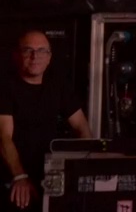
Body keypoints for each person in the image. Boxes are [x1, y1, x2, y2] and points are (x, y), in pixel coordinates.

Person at [0, 30, 91, 212]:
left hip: (49, 175)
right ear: (17, 55)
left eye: (42, 51)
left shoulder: (57, 86)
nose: (35, 57)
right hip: (13, 175)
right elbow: (3, 137)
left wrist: (85, 171)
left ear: (49, 57)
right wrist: (19, 176)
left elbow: (82, 128)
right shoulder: (4, 88)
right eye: (28, 50)